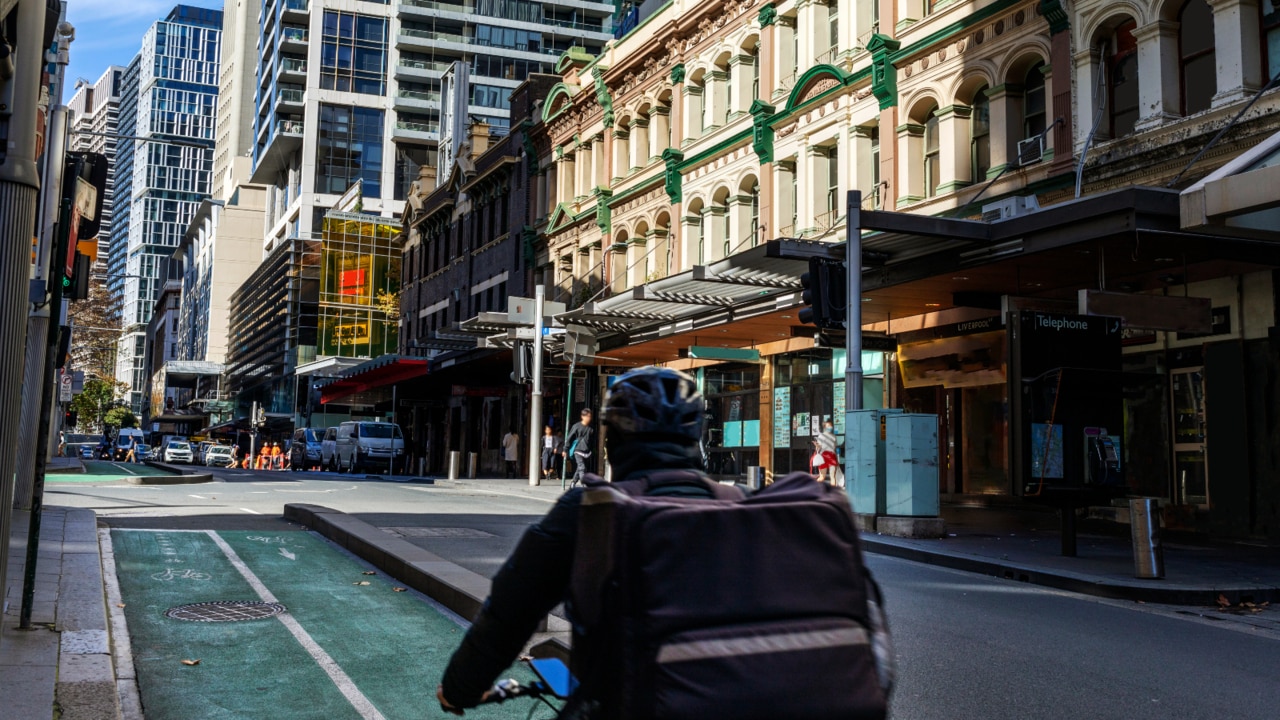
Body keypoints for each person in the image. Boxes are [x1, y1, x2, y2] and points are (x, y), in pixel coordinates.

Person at [438, 367, 714, 715]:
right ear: (697, 438)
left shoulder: (590, 512)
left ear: (612, 441)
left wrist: (460, 688)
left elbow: (508, 616)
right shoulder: (746, 508)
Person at [562, 408, 596, 487]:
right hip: (578, 449)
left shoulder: (591, 427)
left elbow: (593, 440)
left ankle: (573, 482)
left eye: (590, 416)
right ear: (582, 416)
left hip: (587, 450)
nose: (589, 418)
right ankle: (584, 484)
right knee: (582, 467)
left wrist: (592, 449)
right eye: (587, 416)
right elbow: (569, 438)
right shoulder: (576, 426)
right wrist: (565, 449)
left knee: (580, 468)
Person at [813, 420, 841, 485]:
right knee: (822, 477)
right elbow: (818, 448)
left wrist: (837, 460)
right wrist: (817, 445)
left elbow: (834, 449)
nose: (830, 427)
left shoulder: (834, 436)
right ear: (824, 427)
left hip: (831, 456)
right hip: (824, 457)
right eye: (828, 426)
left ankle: (832, 494)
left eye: (831, 426)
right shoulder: (821, 436)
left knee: (832, 477)